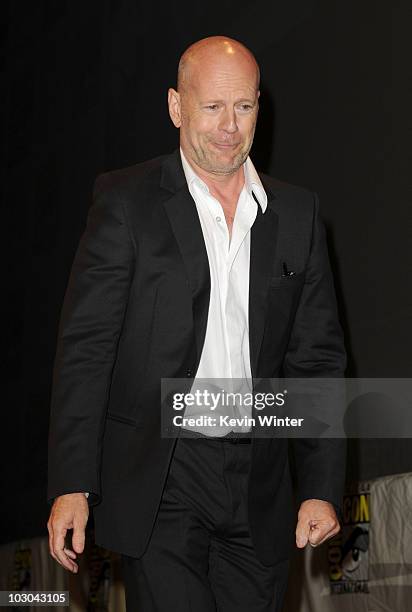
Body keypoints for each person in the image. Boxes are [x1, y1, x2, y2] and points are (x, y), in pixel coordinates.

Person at [47, 35, 346, 611]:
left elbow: (317, 360)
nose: (229, 126)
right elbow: (87, 349)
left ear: (260, 105)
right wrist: (72, 482)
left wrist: (320, 488)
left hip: (259, 477)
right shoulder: (126, 203)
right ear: (176, 107)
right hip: (163, 475)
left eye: (244, 106)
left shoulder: (298, 215)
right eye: (211, 107)